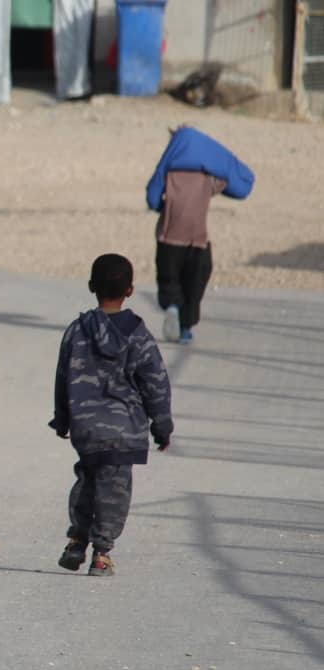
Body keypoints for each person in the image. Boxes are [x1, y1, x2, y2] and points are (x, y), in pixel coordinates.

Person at [49, 254, 173, 577]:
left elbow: (63, 377)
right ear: (130, 290)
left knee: (86, 482)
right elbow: (155, 383)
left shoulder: (77, 331)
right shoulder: (137, 335)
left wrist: (62, 418)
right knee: (114, 492)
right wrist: (162, 427)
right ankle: (101, 553)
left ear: (91, 287)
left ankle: (77, 540)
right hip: (124, 431)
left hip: (86, 428)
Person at [145, 125, 255, 345]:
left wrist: (161, 207)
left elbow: (152, 196)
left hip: (169, 237)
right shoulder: (207, 176)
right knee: (194, 282)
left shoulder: (168, 171)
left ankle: (173, 307)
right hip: (197, 239)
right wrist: (218, 160)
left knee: (170, 278)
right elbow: (239, 184)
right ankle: (185, 329)